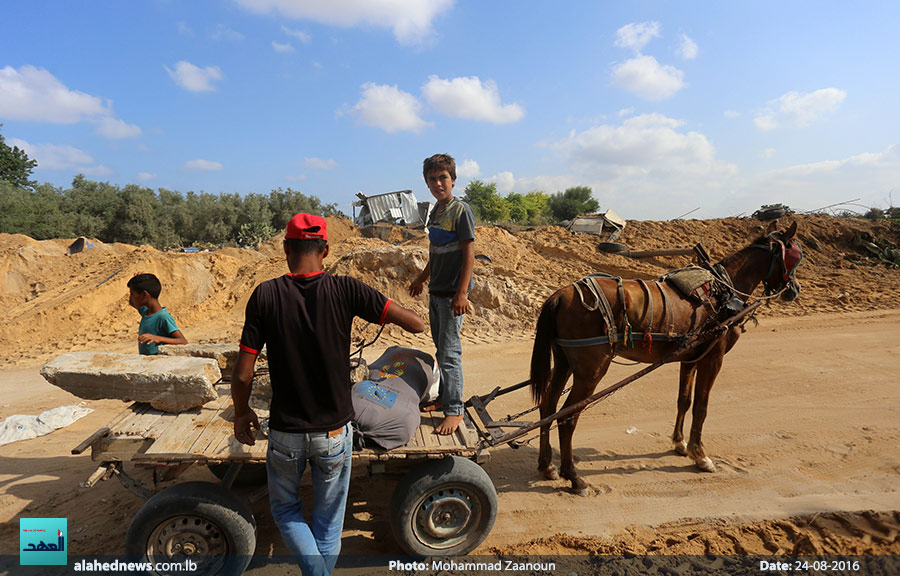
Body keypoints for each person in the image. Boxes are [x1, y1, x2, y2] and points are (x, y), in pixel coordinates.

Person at [231, 213, 424, 576]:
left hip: (286, 433)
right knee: (329, 522)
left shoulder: (265, 294)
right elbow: (414, 324)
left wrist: (242, 414)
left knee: (286, 510)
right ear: (326, 249)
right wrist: (408, 312)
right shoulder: (347, 289)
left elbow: (242, 376)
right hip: (334, 432)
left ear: (286, 248)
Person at [409, 153, 475, 435]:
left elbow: (469, 254)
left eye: (443, 178)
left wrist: (462, 294)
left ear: (453, 180)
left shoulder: (461, 211)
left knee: (450, 353)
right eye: (432, 179)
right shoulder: (435, 212)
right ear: (427, 183)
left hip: (451, 295)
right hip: (436, 291)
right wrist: (422, 279)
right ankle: (446, 398)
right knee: (442, 349)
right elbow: (435, 253)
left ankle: (454, 410)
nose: (438, 183)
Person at [126, 273, 188, 355]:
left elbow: (183, 341)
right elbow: (132, 303)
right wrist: (136, 282)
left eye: (132, 294)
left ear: (144, 294)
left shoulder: (163, 317)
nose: (132, 297)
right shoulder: (146, 312)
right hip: (147, 362)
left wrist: (158, 338)